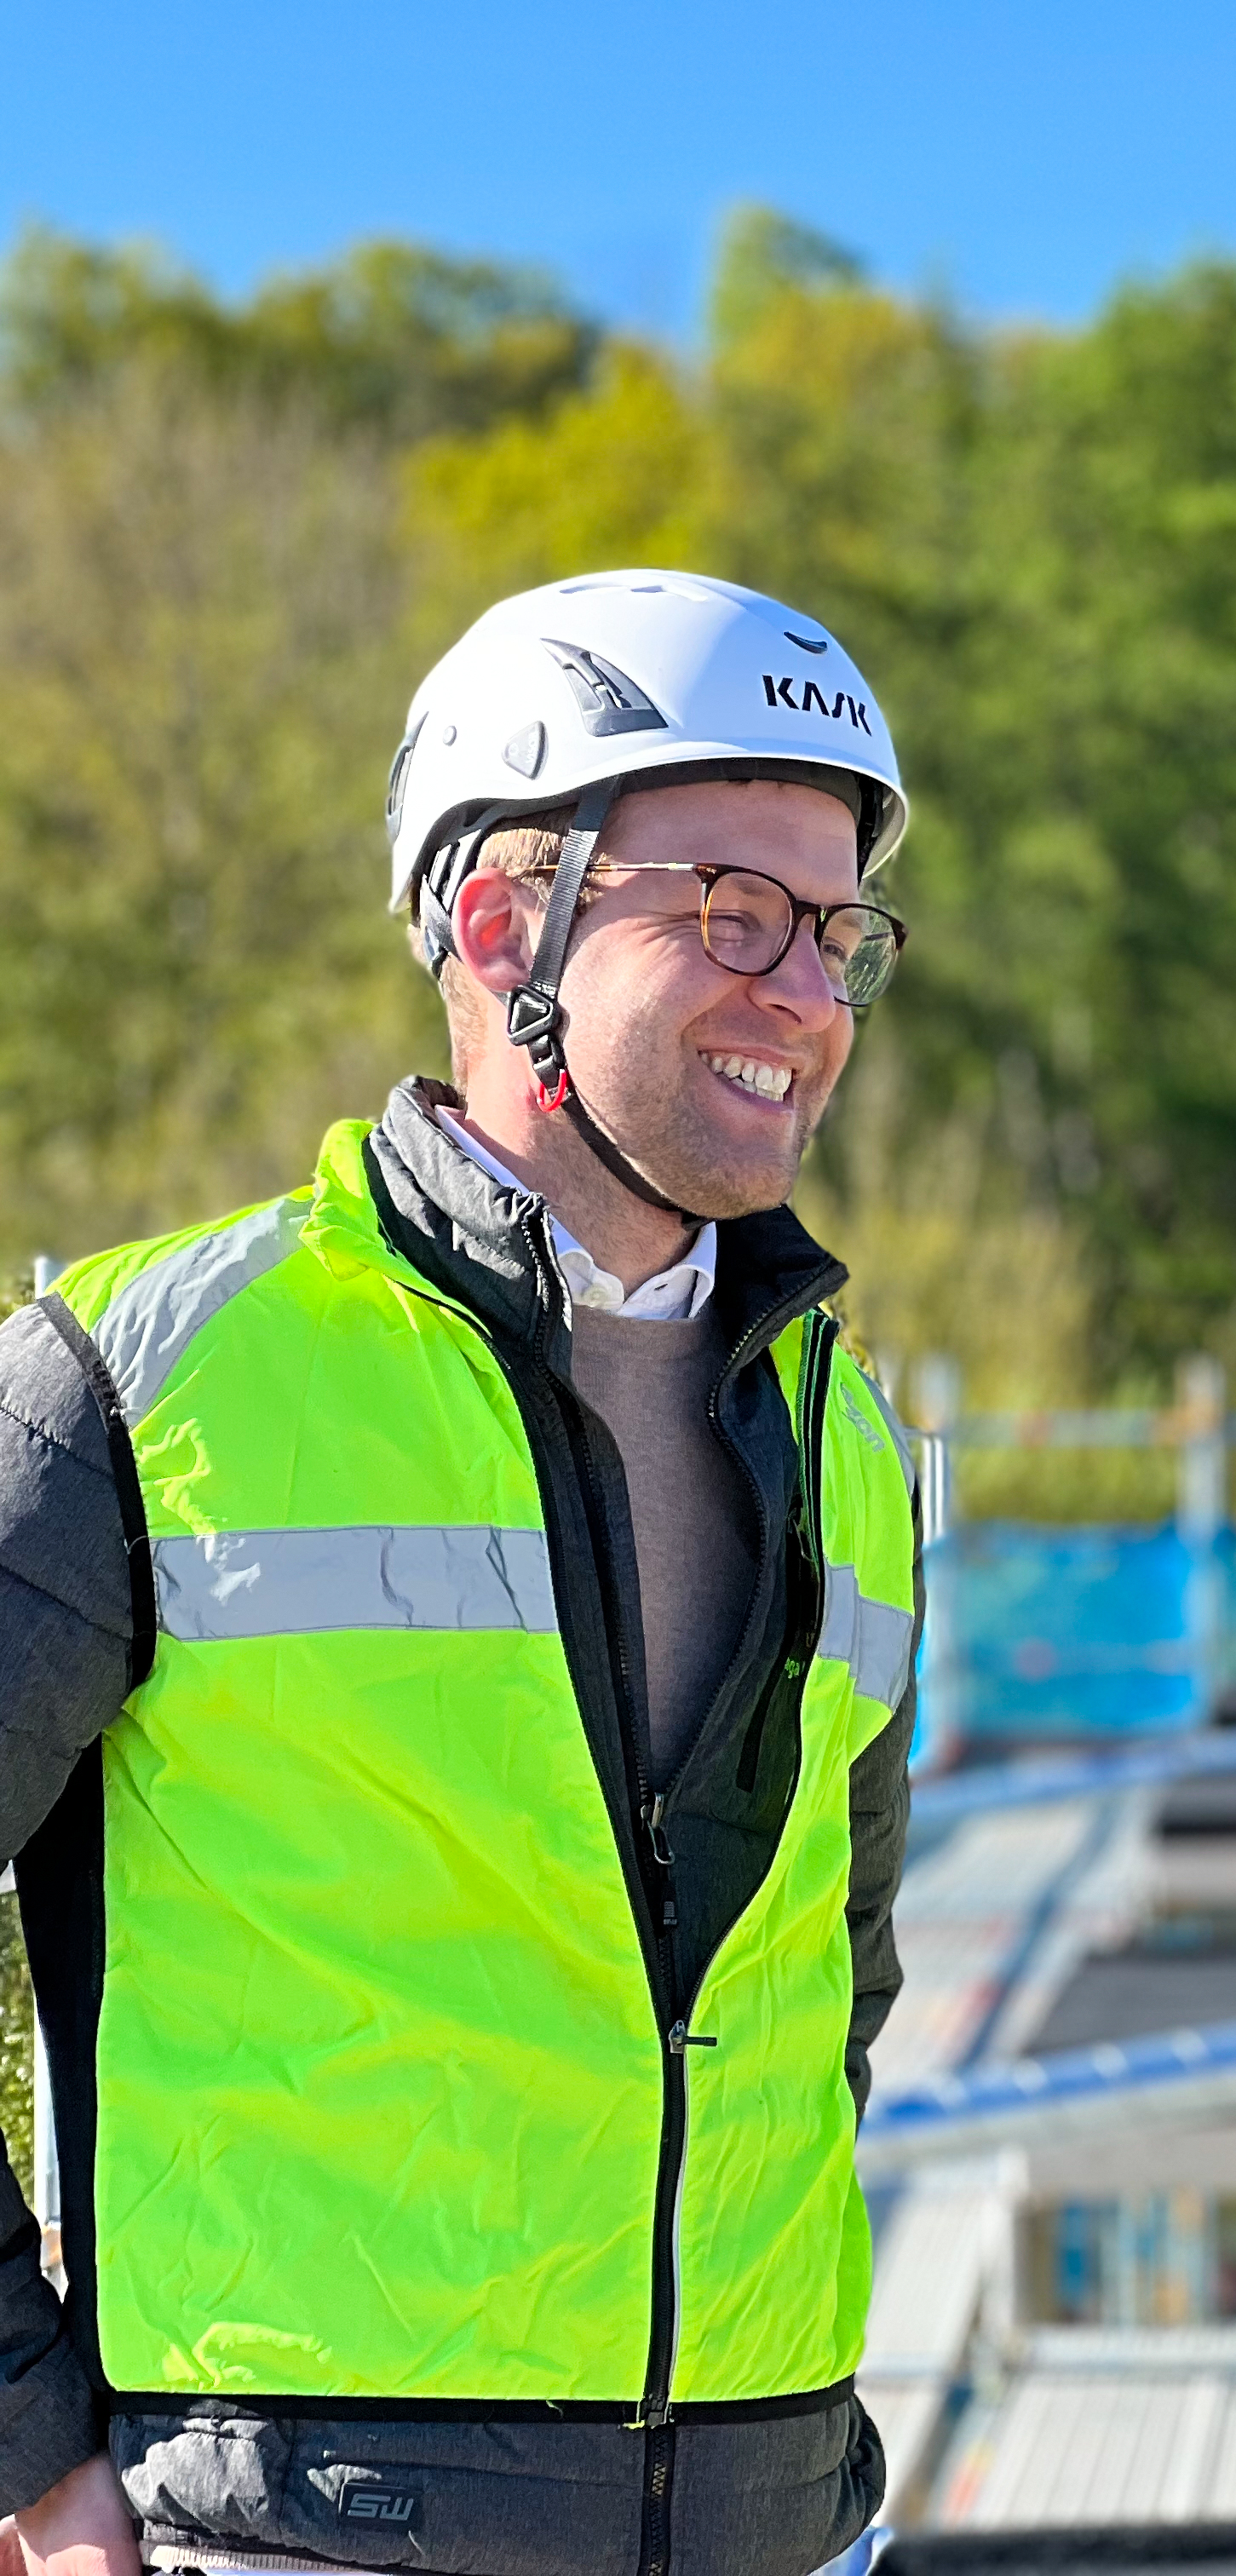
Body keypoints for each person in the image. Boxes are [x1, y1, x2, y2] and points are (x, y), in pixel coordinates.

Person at [0, 572, 927, 2576]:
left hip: (776, 2517)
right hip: (293, 2530)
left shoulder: (854, 1433)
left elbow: (829, 1992)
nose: (812, 994)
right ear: (502, 926)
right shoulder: (137, 1382)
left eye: (842, 931)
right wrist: (21, 2448)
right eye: (733, 912)